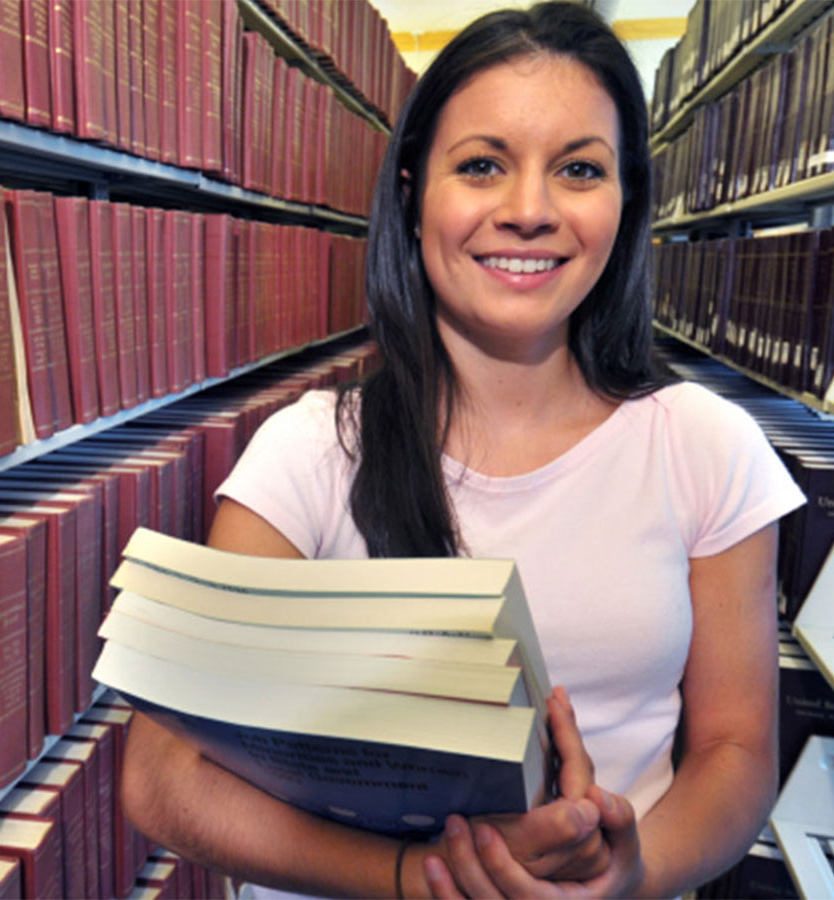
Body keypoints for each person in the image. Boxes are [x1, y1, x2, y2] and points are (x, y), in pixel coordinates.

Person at [120, 3, 806, 897]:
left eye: (579, 170)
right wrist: (416, 877)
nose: (529, 211)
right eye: (483, 165)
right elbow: (162, 779)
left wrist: (632, 877)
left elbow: (736, 749)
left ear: (626, 200)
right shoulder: (308, 454)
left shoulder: (710, 449)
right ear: (412, 195)